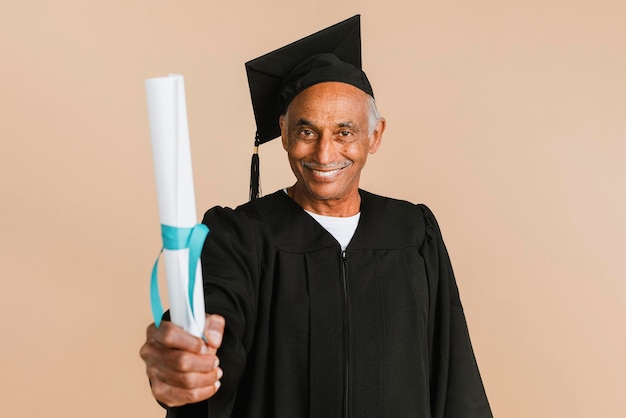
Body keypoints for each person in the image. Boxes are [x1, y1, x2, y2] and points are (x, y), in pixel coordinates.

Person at [140, 15, 492, 418]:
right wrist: (185, 357)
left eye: (344, 132)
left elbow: (453, 372)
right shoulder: (241, 235)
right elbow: (214, 321)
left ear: (374, 136)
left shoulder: (413, 232)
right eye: (307, 132)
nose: (325, 154)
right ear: (285, 134)